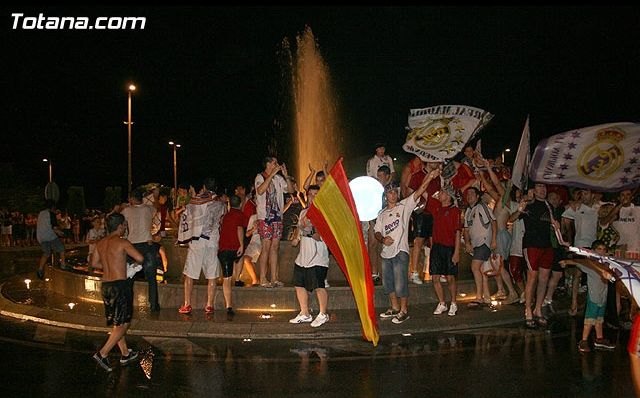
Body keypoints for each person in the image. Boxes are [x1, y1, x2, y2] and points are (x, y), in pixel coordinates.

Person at [375, 168, 439, 324]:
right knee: (388, 283)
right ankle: (394, 308)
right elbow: (377, 232)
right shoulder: (381, 214)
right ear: (386, 195)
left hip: (400, 251)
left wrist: (429, 177)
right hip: (386, 252)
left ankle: (404, 310)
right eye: (390, 193)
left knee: (400, 282)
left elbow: (419, 191)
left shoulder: (404, 206)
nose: (393, 195)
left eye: (395, 192)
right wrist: (383, 239)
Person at [91, 213, 144, 372]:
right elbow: (140, 258)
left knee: (117, 322)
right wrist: (126, 267)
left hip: (106, 285)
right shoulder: (122, 242)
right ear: (120, 226)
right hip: (120, 286)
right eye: (124, 225)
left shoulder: (100, 243)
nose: (125, 228)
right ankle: (102, 353)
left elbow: (94, 263)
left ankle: (125, 354)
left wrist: (111, 266)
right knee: (124, 323)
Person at [179, 178, 226, 314]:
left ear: (204, 187)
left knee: (190, 273)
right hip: (212, 240)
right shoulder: (220, 203)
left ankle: (187, 304)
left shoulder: (195, 200)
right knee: (212, 274)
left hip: (197, 240)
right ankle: (209, 305)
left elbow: (186, 214)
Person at [560, 240, 616, 352]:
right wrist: (567, 262)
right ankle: (583, 340)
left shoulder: (606, 265)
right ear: (593, 251)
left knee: (599, 319)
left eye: (604, 250)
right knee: (589, 320)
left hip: (602, 297)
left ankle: (599, 339)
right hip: (594, 298)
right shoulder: (591, 266)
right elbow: (579, 262)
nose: (602, 252)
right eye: (599, 249)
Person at [289, 185, 330, 328]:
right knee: (298, 284)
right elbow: (299, 230)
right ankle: (305, 313)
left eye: (316, 194)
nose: (313, 197)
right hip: (303, 256)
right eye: (311, 194)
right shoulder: (303, 212)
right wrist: (296, 236)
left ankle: (323, 313)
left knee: (319, 286)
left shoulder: (324, 213)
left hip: (318, 257)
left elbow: (321, 236)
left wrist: (307, 230)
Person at [254, 156, 293, 287]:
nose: (277, 165)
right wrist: (271, 175)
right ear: (268, 164)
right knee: (265, 247)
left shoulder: (279, 178)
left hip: (277, 216)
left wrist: (286, 176)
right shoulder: (260, 177)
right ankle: (263, 278)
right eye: (275, 162)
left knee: (275, 247)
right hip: (265, 217)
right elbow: (260, 191)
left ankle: (274, 278)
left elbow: (291, 191)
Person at [121, 188, 161, 312]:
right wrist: (155, 196)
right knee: (151, 279)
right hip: (147, 246)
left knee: (129, 277)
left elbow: (118, 217)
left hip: (132, 247)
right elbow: (157, 208)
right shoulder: (148, 209)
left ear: (132, 199)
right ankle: (154, 305)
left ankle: (128, 304)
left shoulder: (126, 211)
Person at [428, 185, 462, 316]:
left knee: (450, 277)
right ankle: (442, 303)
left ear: (448, 196)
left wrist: (457, 252)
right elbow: (429, 197)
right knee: (435, 277)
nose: (440, 194)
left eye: (442, 192)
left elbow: (457, 232)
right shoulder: (436, 208)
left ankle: (453, 302)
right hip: (437, 246)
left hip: (449, 247)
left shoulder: (455, 211)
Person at [217, 194, 246, 315]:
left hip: (223, 250)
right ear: (240, 204)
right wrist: (241, 244)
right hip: (234, 248)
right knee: (241, 257)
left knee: (226, 278)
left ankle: (229, 305)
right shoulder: (240, 215)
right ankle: (238, 278)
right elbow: (240, 229)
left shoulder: (225, 216)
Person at [36, 200, 68, 279]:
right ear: (53, 207)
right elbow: (54, 227)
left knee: (46, 253)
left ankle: (40, 269)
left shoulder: (41, 213)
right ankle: (63, 266)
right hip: (50, 236)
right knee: (61, 249)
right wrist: (61, 233)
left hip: (41, 237)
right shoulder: (51, 214)